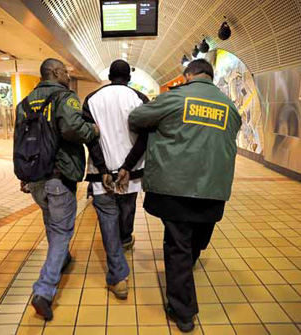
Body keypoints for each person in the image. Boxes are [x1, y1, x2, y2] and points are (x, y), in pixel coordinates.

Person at [128, 59, 242, 333]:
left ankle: (183, 312)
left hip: (176, 188)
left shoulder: (176, 97)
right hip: (213, 189)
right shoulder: (230, 107)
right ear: (211, 77)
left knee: (179, 246)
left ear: (188, 75)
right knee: (196, 240)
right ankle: (182, 291)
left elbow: (136, 118)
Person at [14, 58, 99, 321]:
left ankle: (61, 259)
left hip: (35, 178)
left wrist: (23, 174)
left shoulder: (25, 103)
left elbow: (19, 139)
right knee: (62, 232)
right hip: (58, 176)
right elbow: (72, 128)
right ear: (55, 72)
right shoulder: (65, 97)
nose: (67, 74)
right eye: (65, 70)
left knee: (52, 223)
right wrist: (92, 130)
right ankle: (43, 291)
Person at [82, 59, 149, 299]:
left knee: (108, 220)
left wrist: (102, 168)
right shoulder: (140, 99)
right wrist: (127, 167)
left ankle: (119, 277)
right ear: (128, 77)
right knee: (127, 209)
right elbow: (144, 138)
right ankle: (125, 240)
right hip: (130, 175)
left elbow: (90, 137)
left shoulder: (91, 99)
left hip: (102, 175)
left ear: (109, 76)